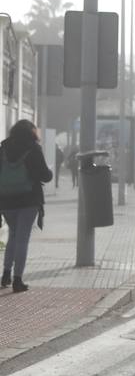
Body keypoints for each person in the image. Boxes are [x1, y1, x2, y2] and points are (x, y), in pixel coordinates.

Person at [1, 120, 54, 293]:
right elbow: (45, 176)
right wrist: (51, 172)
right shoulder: (33, 148)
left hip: (6, 200)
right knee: (22, 238)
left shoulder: (3, 147)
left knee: (13, 236)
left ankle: (6, 274)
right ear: (31, 132)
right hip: (28, 200)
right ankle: (18, 280)